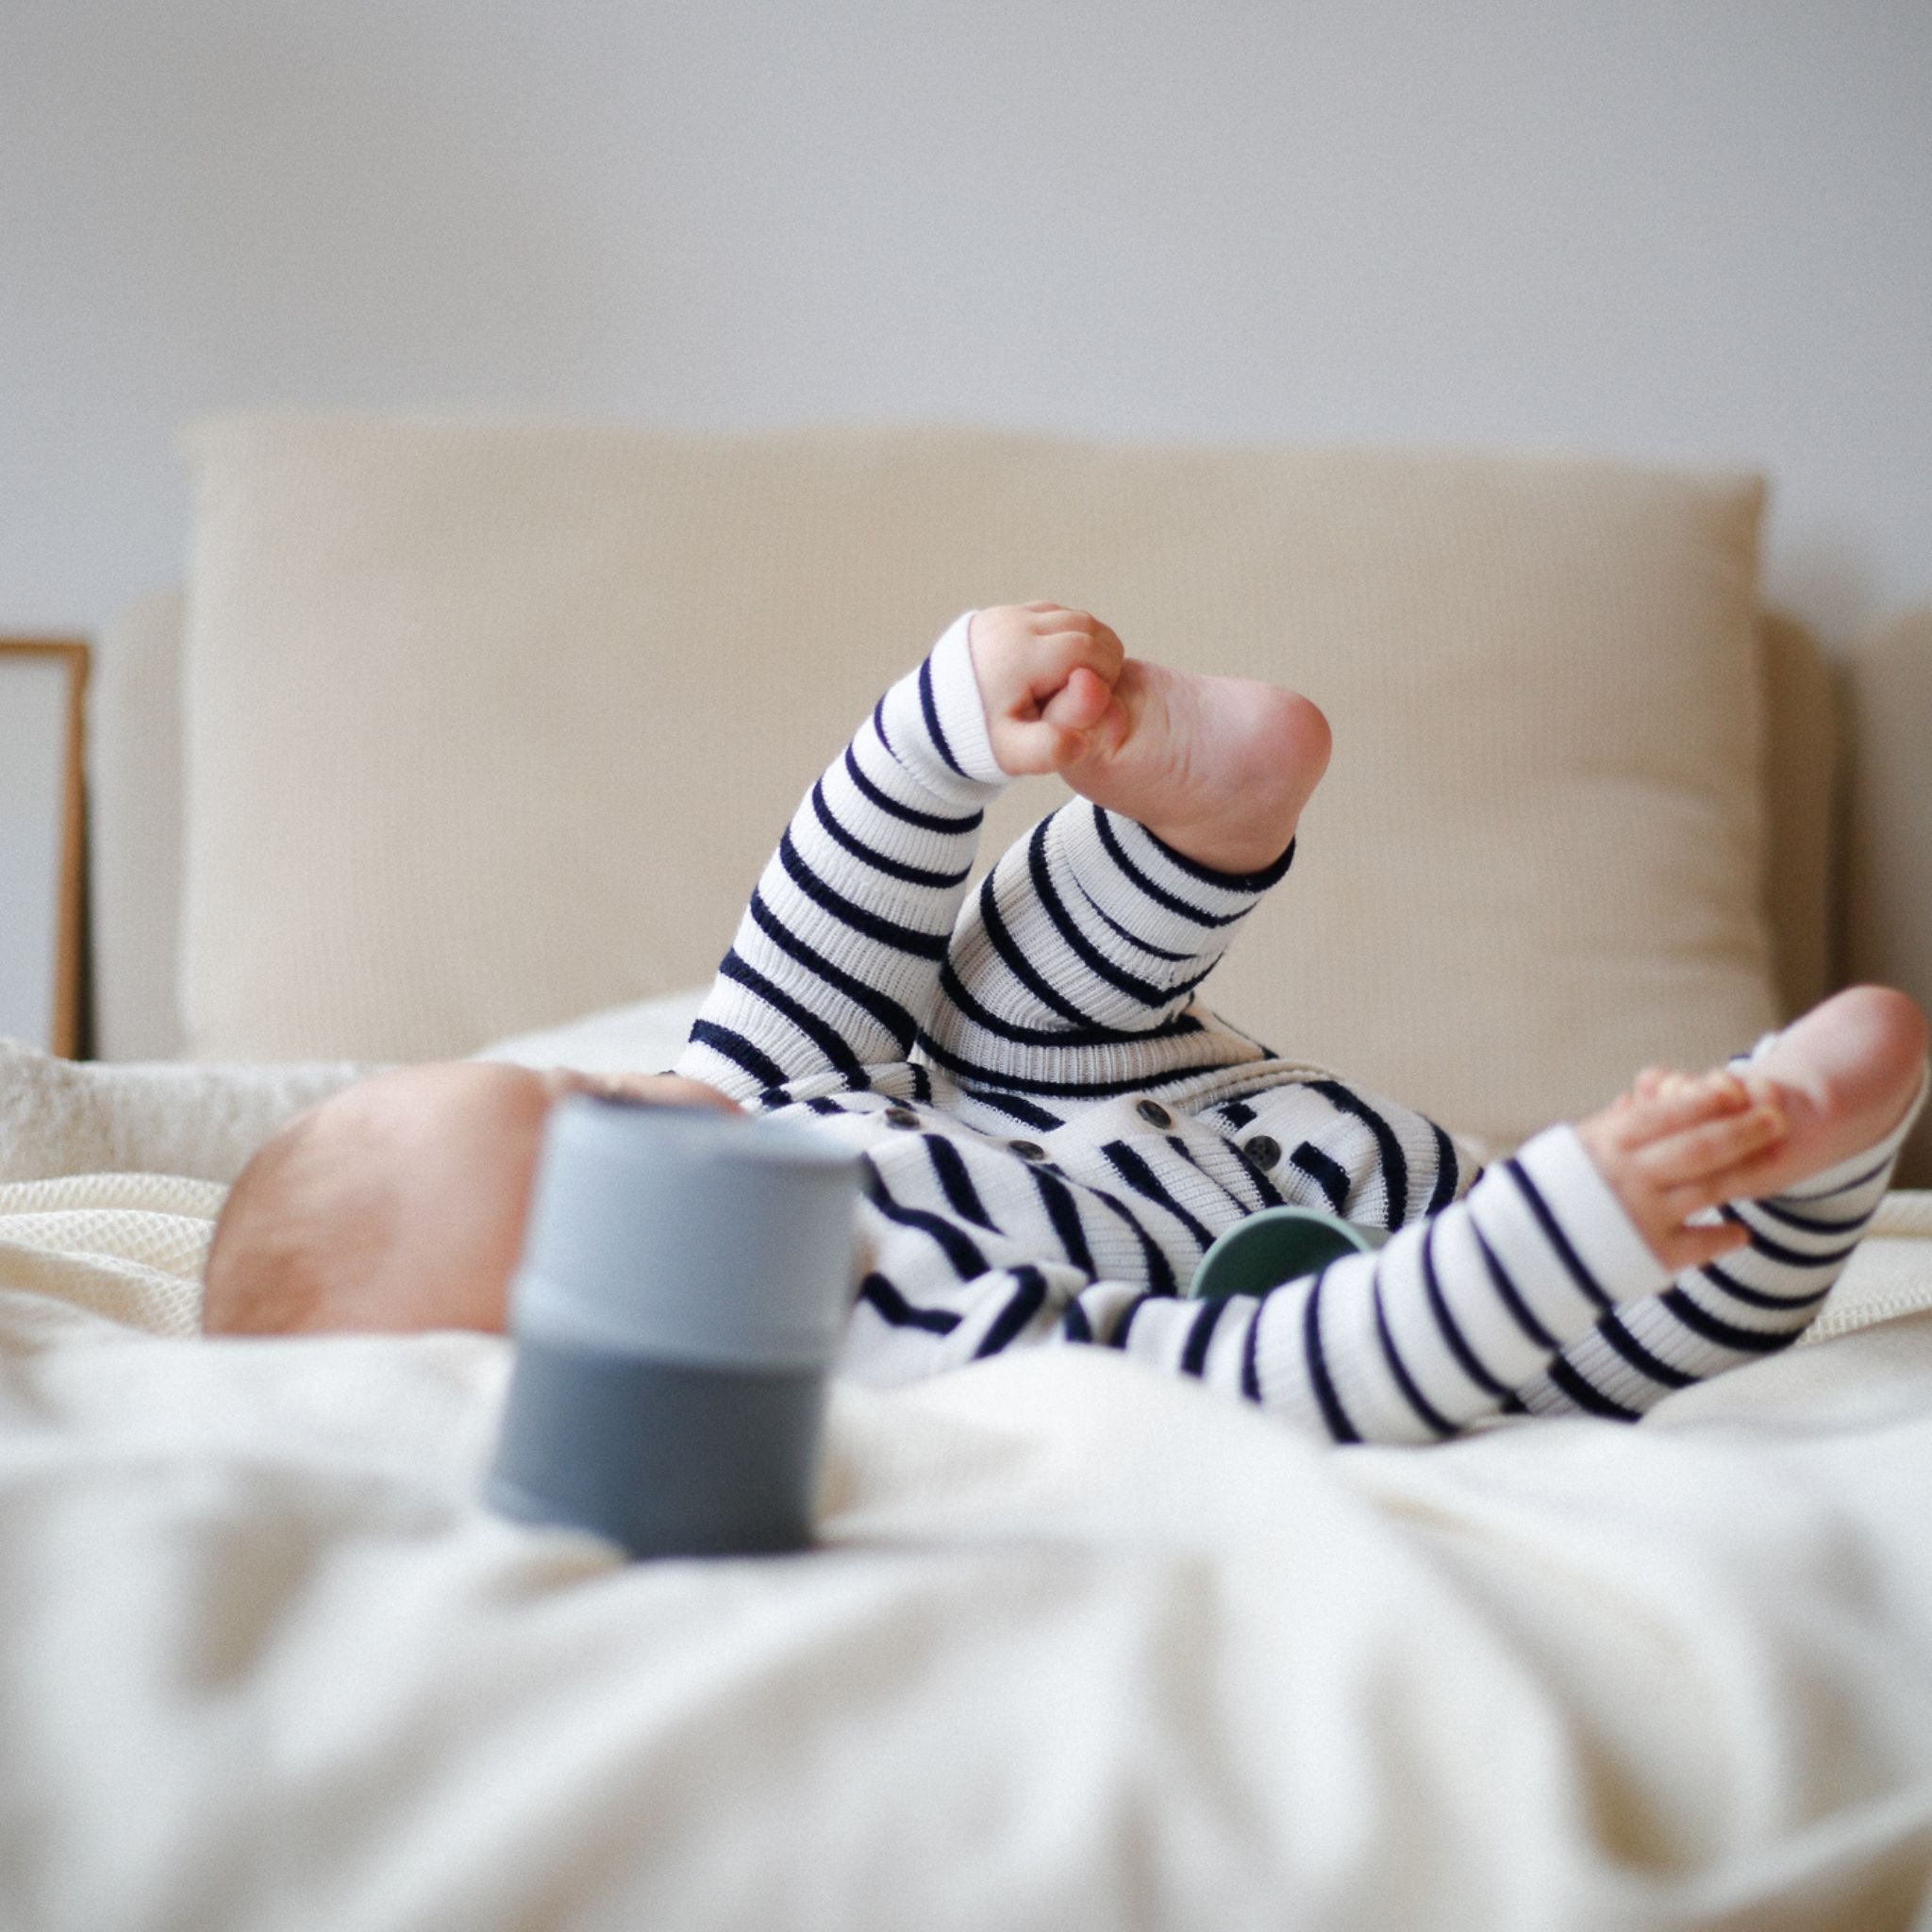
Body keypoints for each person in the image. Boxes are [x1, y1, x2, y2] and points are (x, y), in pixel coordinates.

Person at [202, 606, 1929, 1442]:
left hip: (1136, 1100)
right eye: (617, 1185)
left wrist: (944, 719)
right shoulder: (903, 1349)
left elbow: (820, 929)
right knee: (1610, 1354)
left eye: (585, 1090)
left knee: (981, 1010)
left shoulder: (741, 1098)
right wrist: (1569, 1221)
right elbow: (1262, 1383)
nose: (670, 1111)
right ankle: (1787, 1159)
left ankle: (1205, 812)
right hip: (1399, 1266)